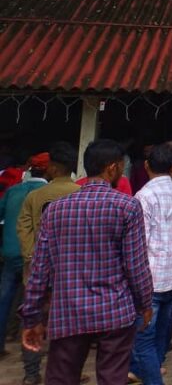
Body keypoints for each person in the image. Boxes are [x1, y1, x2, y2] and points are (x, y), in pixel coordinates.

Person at [21, 139, 153, 385]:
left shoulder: (55, 210)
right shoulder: (127, 207)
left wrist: (32, 316)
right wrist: (145, 303)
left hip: (68, 311)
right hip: (115, 309)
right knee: (113, 377)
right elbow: (136, 266)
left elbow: (40, 270)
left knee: (61, 378)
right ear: (112, 168)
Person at [129, 142, 172, 385]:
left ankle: (152, 379)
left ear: (146, 166)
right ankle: (150, 374)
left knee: (144, 340)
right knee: (160, 338)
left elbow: (139, 242)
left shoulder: (143, 197)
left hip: (149, 281)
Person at [15, 142, 80, 384]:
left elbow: (23, 228)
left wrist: (33, 258)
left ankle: (32, 373)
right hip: (72, 275)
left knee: (32, 320)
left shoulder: (35, 196)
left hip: (36, 273)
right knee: (68, 327)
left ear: (51, 169)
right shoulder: (79, 193)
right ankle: (69, 370)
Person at [0, 154, 47, 358]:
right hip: (35, 256)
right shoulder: (46, 193)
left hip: (10, 252)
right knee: (34, 303)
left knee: (4, 300)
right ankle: (30, 355)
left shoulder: (12, 191)